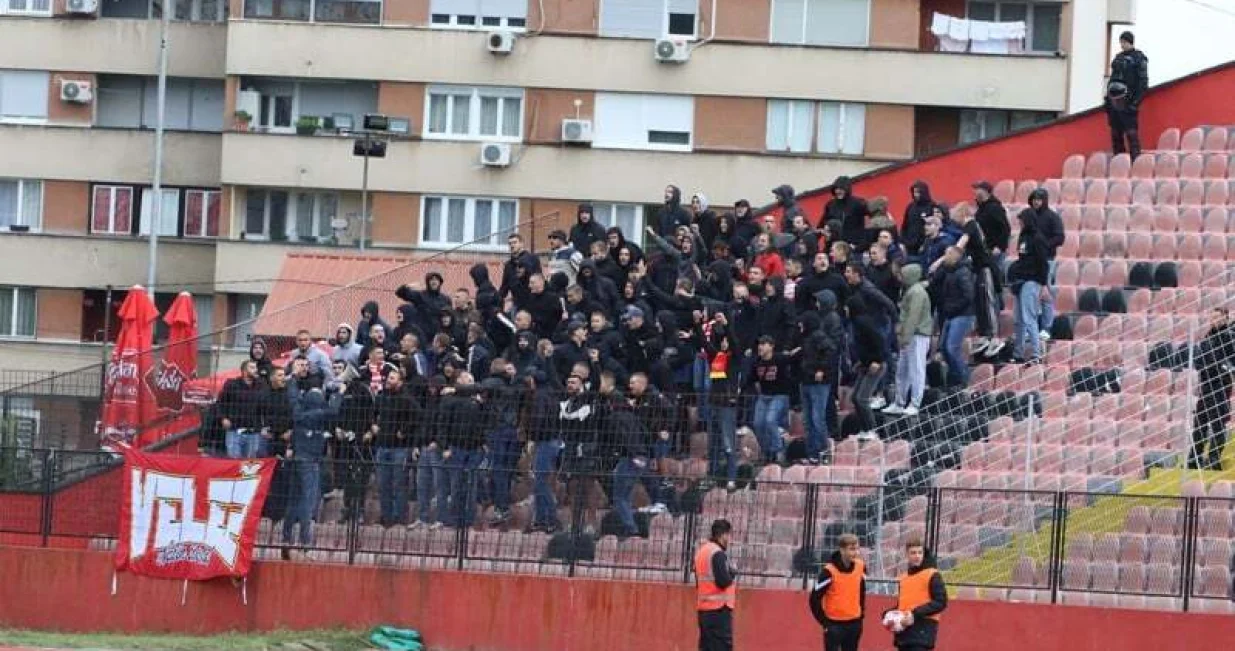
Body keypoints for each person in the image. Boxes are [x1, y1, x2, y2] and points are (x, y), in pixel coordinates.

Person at [282, 387, 341, 554]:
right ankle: (305, 542)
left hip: (296, 460)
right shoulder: (318, 415)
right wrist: (337, 394)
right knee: (308, 501)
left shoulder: (299, 413)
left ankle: (286, 538)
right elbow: (333, 411)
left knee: (293, 500)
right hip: (310, 462)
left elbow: (294, 399)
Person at [949, 205, 1001, 359]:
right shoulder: (972, 227)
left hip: (985, 268)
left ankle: (994, 336)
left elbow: (960, 244)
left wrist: (949, 256)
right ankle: (985, 334)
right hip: (978, 269)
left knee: (987, 302)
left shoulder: (971, 225)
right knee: (980, 303)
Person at [1190, 308, 1235, 470]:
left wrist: (1222, 369)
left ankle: (1214, 459)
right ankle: (1194, 458)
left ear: (1225, 318)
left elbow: (1231, 363)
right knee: (1199, 424)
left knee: (1218, 423)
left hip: (1221, 385)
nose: (1213, 320)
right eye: (1212, 317)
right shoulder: (1207, 337)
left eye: (1217, 317)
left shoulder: (1230, 337)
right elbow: (1199, 360)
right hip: (1206, 385)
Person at [370, 369, 416, 527]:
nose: (389, 380)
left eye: (392, 378)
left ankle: (399, 517)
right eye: (388, 377)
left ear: (400, 382)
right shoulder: (381, 397)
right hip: (382, 445)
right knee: (383, 484)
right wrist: (373, 425)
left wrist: (404, 431)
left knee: (399, 484)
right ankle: (386, 516)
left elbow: (417, 417)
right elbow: (372, 413)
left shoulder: (407, 399)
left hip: (399, 448)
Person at [1006, 209, 1052, 364]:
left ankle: (1036, 354)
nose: (1020, 223)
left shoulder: (1038, 238)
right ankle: (1018, 353)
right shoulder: (1022, 237)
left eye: (1021, 220)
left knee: (1029, 318)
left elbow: (1043, 264)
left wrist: (1043, 284)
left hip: (1033, 281)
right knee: (1018, 319)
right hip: (1020, 280)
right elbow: (1022, 259)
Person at [885, 264, 931, 416]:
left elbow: (913, 317)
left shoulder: (917, 292)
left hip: (917, 336)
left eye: (903, 275)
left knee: (916, 370)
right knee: (902, 371)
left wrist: (905, 337)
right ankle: (899, 402)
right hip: (909, 336)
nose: (900, 278)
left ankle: (915, 403)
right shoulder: (910, 291)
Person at [809, 534, 866, 651]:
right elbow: (814, 598)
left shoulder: (860, 566)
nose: (856, 553)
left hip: (854, 623)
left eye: (857, 549)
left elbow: (861, 590)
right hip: (834, 624)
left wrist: (861, 614)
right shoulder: (829, 572)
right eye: (852, 549)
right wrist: (824, 622)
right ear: (842, 550)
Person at [888, 539, 947, 651]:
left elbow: (941, 602)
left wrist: (914, 614)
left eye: (920, 552)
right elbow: (904, 604)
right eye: (913, 553)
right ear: (907, 555)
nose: (917, 556)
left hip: (922, 632)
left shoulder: (932, 574)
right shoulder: (903, 578)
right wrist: (889, 614)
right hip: (904, 634)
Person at [931, 247, 976, 388]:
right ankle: (955, 377)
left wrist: (952, 307)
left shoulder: (963, 272)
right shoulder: (949, 271)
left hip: (962, 315)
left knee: (952, 347)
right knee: (944, 348)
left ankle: (964, 379)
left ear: (956, 256)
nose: (945, 257)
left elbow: (968, 296)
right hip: (950, 314)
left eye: (948, 254)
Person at [848, 295, 886, 440]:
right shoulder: (857, 323)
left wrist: (877, 360)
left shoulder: (863, 322)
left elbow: (879, 341)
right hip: (865, 364)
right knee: (855, 398)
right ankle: (864, 429)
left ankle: (872, 430)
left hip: (875, 364)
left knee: (862, 398)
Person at [695, 519, 737, 651]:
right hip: (718, 611)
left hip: (704, 610)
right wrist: (732, 573)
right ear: (723, 535)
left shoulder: (702, 552)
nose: (729, 539)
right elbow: (722, 581)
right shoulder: (717, 553)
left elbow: (699, 581)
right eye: (728, 535)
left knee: (706, 647)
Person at [1106, 31, 1148, 159]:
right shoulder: (1118, 57)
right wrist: (1108, 99)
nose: (1122, 45)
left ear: (1130, 42)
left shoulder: (1139, 58)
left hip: (1128, 101)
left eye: (1124, 42)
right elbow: (1113, 78)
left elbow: (1143, 82)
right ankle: (1119, 162)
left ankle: (1135, 162)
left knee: (1131, 134)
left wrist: (1135, 102)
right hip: (1114, 100)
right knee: (1115, 134)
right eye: (1121, 42)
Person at [218, 359, 268, 459]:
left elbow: (266, 407)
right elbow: (220, 403)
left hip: (254, 432)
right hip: (235, 431)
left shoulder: (261, 386)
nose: (256, 370)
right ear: (244, 371)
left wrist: (265, 426)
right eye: (252, 367)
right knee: (234, 463)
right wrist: (223, 418)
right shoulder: (232, 384)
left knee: (250, 465)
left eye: (256, 367)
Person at [971, 181, 1011, 278]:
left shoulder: (995, 208)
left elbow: (1005, 228)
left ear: (985, 192)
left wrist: (1000, 247)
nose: (975, 192)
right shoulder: (980, 208)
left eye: (978, 189)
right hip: (984, 250)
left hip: (994, 250)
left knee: (995, 276)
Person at [823, 176, 870, 250]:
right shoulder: (830, 205)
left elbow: (873, 213)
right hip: (835, 245)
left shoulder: (858, 203)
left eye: (841, 189)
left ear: (847, 189)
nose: (838, 191)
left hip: (853, 244)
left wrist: (862, 243)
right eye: (836, 189)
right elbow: (823, 222)